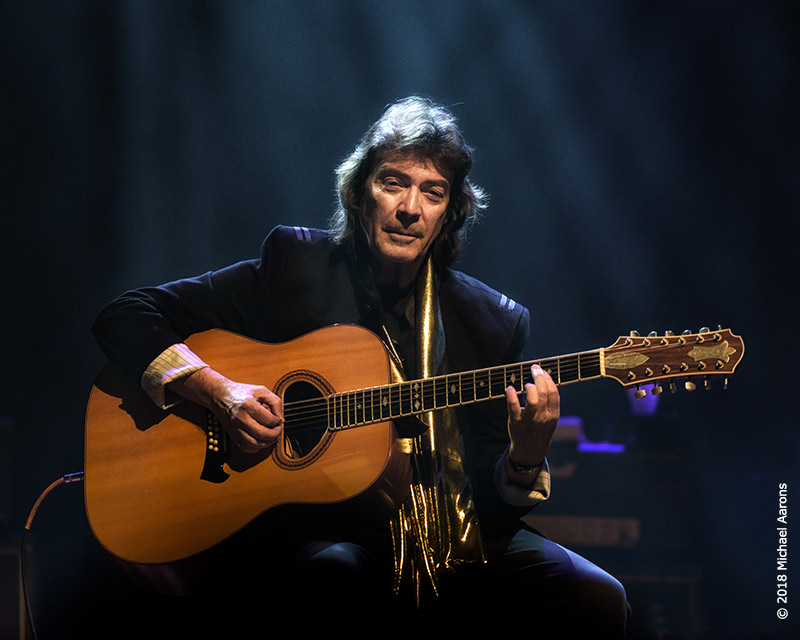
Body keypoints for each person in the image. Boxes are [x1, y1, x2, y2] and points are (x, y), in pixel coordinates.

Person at [93, 96, 629, 634]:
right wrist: (218, 391)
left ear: (450, 214)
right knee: (334, 576)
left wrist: (524, 459)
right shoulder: (298, 266)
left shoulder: (491, 322)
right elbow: (126, 316)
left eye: (433, 192)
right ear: (358, 192)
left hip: (449, 531)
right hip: (325, 529)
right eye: (393, 182)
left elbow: (489, 512)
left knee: (599, 597)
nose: (410, 208)